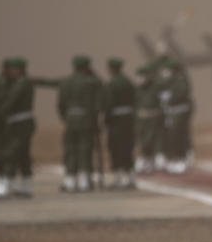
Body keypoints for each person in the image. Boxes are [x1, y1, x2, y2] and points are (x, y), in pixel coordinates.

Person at [57, 55, 100, 192]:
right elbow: (98, 103)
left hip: (70, 119)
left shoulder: (66, 82)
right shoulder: (92, 82)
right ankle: (84, 181)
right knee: (85, 149)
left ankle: (70, 180)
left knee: (70, 149)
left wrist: (66, 117)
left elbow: (61, 104)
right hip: (87, 120)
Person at [0, 57, 36, 197]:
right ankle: (25, 185)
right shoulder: (17, 82)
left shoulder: (22, 83)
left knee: (12, 152)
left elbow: (10, 102)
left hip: (21, 124)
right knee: (22, 154)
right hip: (18, 123)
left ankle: (7, 182)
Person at [103, 57, 137, 189]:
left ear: (112, 68)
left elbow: (108, 104)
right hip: (128, 121)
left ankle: (120, 178)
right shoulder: (128, 82)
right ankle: (130, 178)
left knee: (116, 149)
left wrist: (106, 121)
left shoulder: (111, 84)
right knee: (127, 148)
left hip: (116, 121)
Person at [159, 58, 192, 174]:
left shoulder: (180, 80)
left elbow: (180, 94)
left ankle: (181, 160)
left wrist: (170, 98)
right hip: (172, 111)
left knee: (178, 136)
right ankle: (175, 159)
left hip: (179, 111)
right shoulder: (170, 81)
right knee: (172, 136)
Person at [134, 62, 162, 174]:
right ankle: (144, 159)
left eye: (143, 76)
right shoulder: (137, 89)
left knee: (149, 140)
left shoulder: (155, 87)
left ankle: (148, 160)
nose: (140, 79)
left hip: (152, 118)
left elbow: (160, 102)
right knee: (141, 140)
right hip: (141, 118)